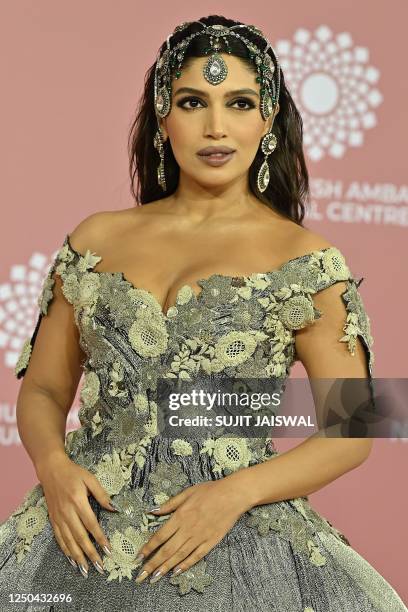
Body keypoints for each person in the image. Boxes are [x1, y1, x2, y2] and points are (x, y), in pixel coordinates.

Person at [0, 14, 406, 612]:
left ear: (269, 120)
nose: (216, 127)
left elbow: (352, 430)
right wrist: (55, 468)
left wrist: (233, 494)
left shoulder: (308, 260)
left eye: (240, 102)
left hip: (234, 538)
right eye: (194, 102)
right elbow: (44, 391)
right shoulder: (95, 239)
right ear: (163, 116)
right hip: (81, 533)